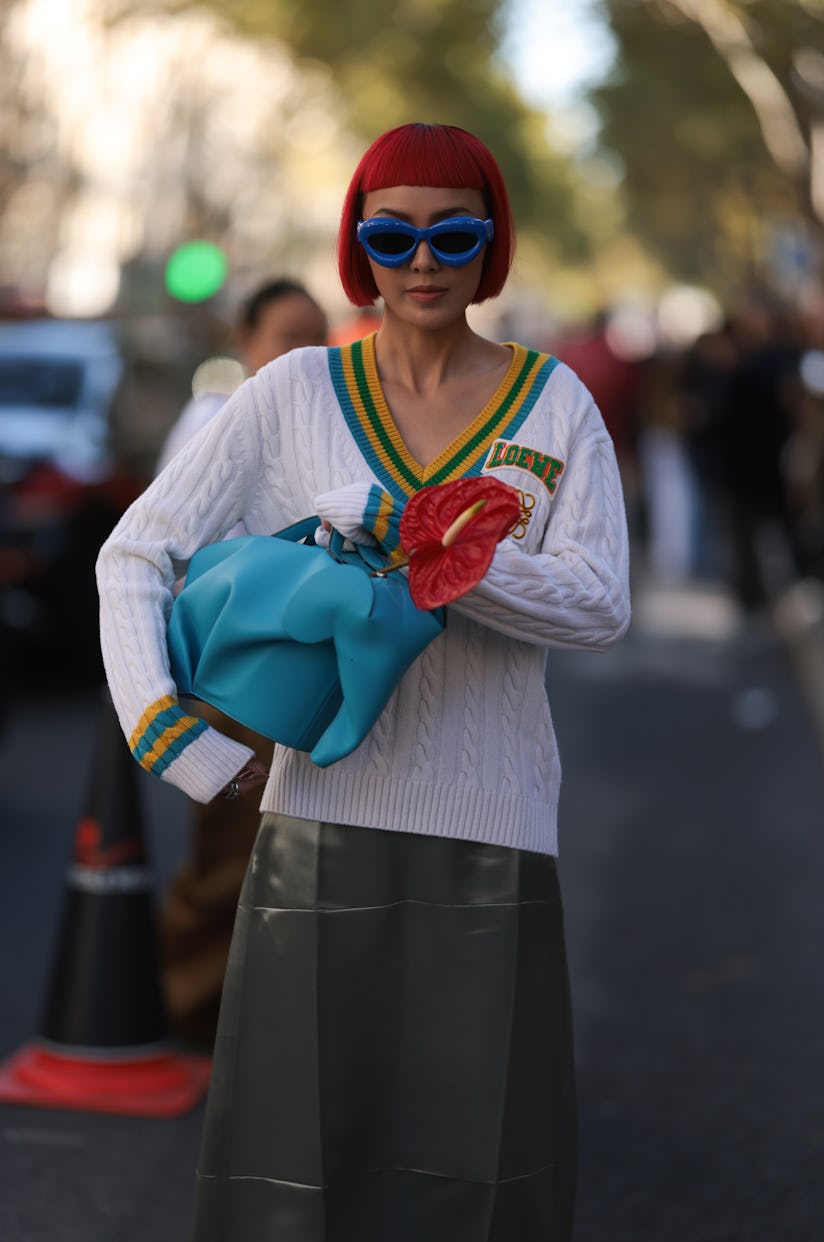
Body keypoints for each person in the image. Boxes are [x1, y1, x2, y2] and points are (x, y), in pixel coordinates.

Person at [96, 123, 630, 1242]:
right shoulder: (293, 393)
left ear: (492, 246)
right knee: (298, 1164)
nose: (423, 261)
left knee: (480, 1167)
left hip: (499, 825)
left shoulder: (555, 404)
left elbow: (600, 603)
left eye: (454, 232)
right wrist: (172, 736)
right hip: (318, 819)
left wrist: (447, 557)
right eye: (393, 235)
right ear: (359, 249)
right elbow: (136, 553)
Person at [154, 278, 329, 1046]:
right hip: (231, 673)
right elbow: (164, 550)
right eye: (290, 335)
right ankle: (192, 1011)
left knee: (292, 854)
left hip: (301, 674)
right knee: (228, 852)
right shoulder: (213, 418)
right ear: (246, 341)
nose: (306, 354)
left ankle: (261, 1019)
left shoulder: (323, 423)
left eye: (317, 337)